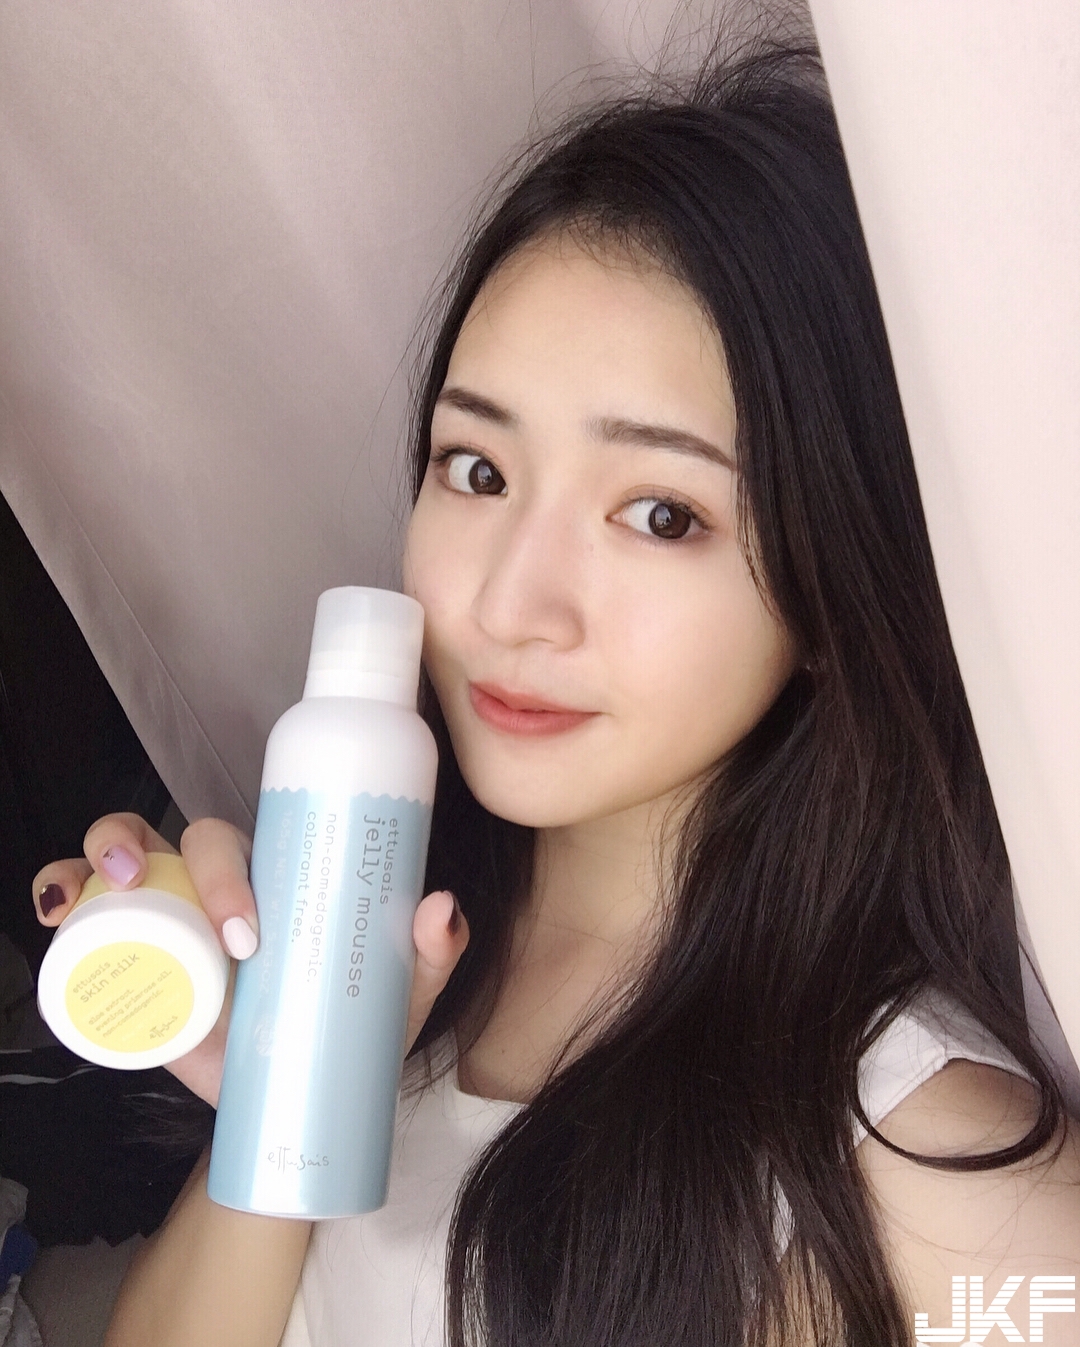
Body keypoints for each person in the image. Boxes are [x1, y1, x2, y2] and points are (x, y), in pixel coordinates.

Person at [32, 38, 1080, 1347]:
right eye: (477, 471)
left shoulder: (928, 1176)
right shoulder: (389, 960)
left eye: (661, 513)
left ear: (832, 580)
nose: (510, 604)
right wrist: (277, 1102)